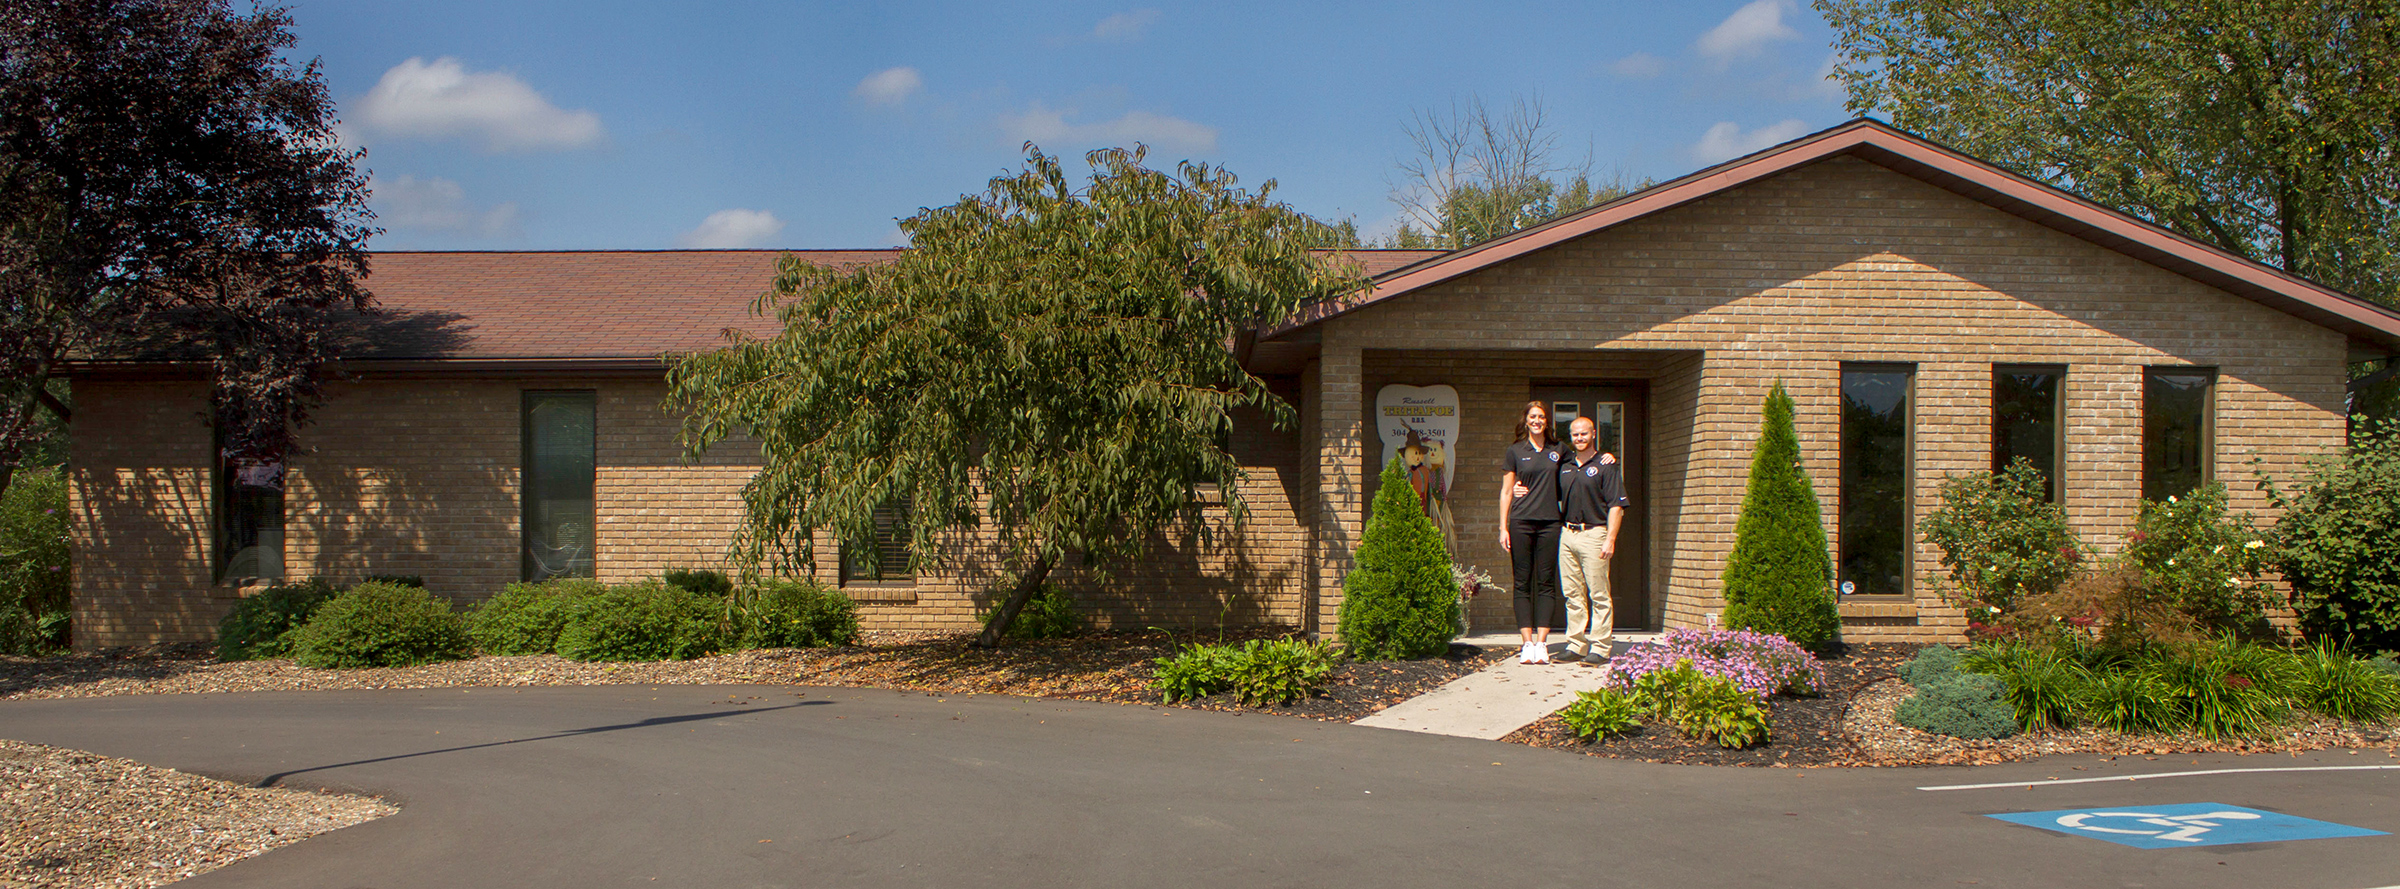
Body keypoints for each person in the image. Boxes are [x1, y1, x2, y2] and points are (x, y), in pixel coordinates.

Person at [1553, 415, 1628, 665]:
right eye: (1575, 434)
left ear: (1593, 433)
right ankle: (1576, 644)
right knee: (1572, 593)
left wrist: (1610, 539)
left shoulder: (1606, 465)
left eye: (1584, 433)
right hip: (1567, 535)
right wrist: (1520, 488)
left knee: (1598, 593)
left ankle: (1601, 647)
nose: (1579, 438)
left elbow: (1617, 507)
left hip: (1595, 534)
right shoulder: (1564, 465)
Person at [1498, 401, 1564, 664]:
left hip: (1550, 523)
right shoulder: (1515, 451)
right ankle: (1527, 643)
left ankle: (1542, 644)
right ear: (1526, 420)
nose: (1537, 420)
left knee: (1546, 583)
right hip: (1521, 522)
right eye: (1532, 416)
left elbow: (1580, 467)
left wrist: (1606, 458)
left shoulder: (1559, 450)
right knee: (1522, 582)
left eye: (1541, 417)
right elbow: (1506, 490)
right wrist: (1503, 526)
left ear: (1547, 422)